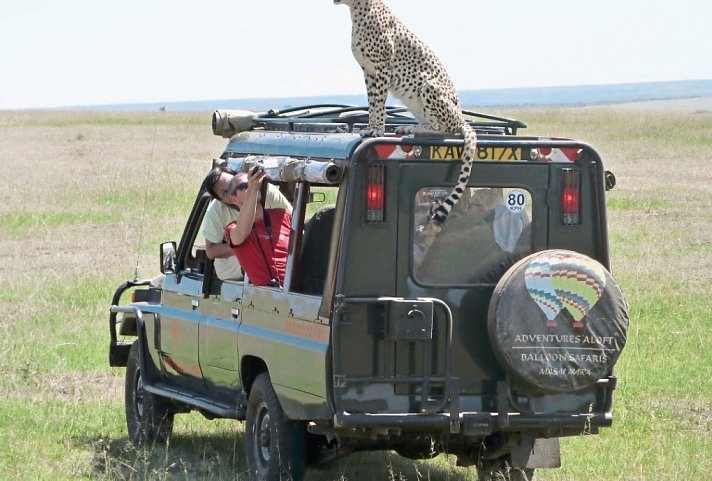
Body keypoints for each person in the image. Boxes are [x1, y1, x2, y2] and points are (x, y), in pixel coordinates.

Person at [200, 165, 291, 281]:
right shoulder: (229, 225)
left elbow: (295, 227)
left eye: (240, 185)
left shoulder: (277, 207)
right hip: (237, 278)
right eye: (225, 192)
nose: (235, 190)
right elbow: (214, 249)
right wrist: (249, 247)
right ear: (227, 199)